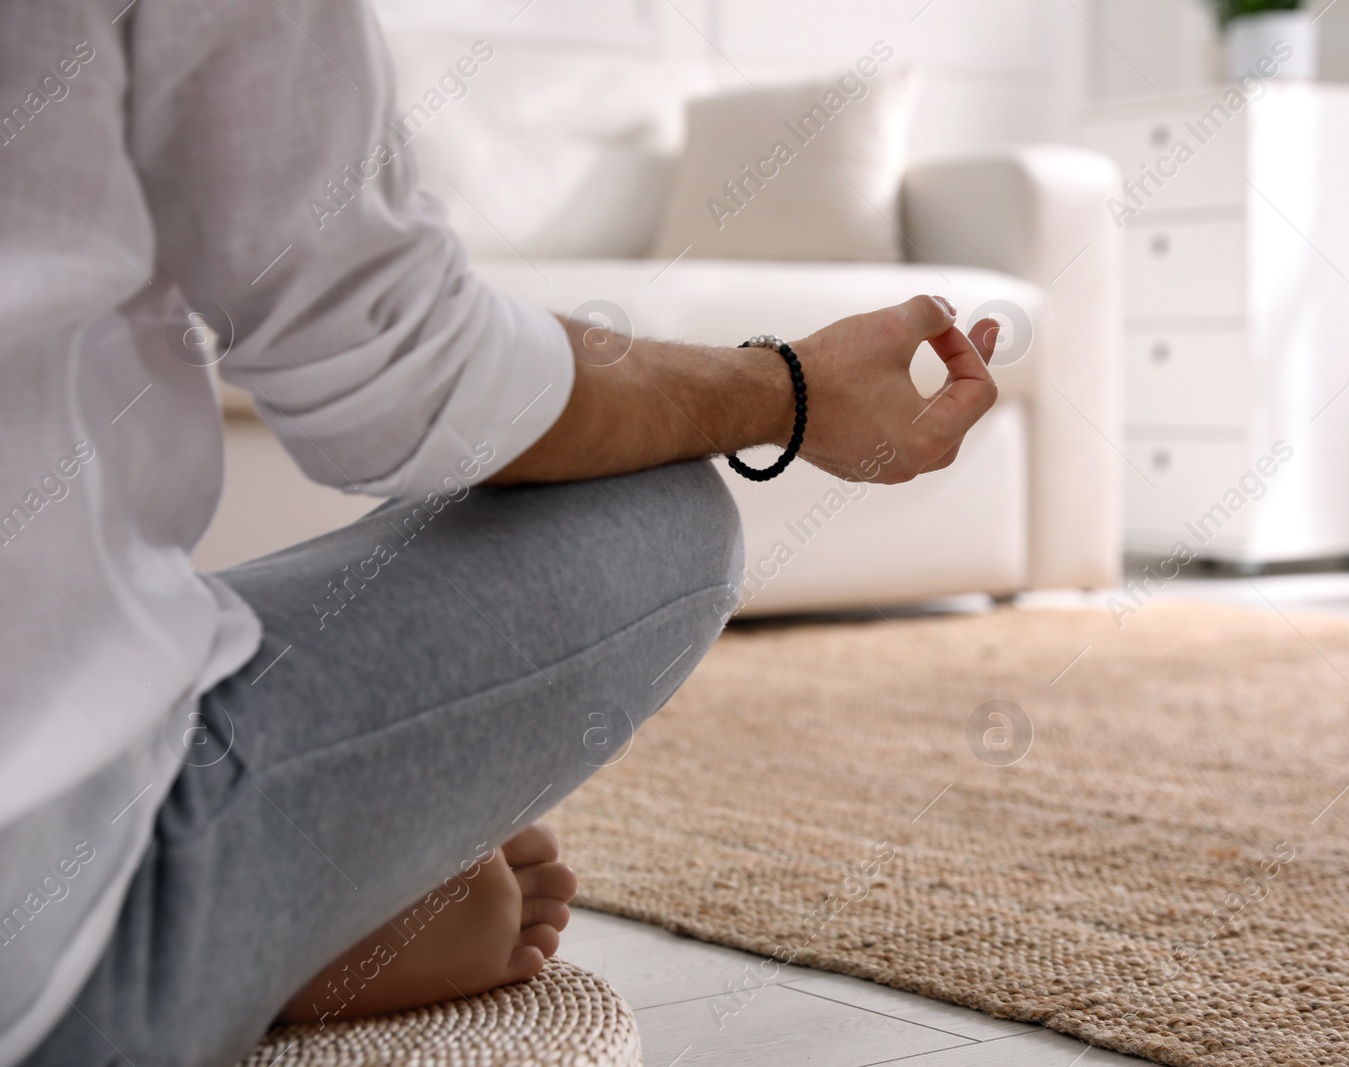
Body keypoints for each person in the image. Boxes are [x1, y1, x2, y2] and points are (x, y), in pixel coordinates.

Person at [0, 2, 999, 1064]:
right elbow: (394, 369)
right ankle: (242, 928)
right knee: (654, 506)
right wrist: (786, 389)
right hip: (47, 931)